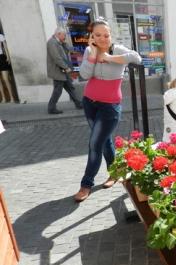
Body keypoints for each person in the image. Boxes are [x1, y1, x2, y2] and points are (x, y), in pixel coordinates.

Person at [74, 18, 141, 202]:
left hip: (109, 107)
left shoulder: (117, 49)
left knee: (95, 144)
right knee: (104, 141)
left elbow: (137, 58)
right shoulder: (89, 50)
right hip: (89, 103)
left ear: (110, 35)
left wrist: (109, 58)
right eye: (98, 35)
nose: (103, 38)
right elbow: (84, 75)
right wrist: (94, 56)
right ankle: (115, 173)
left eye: (106, 34)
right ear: (92, 37)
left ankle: (86, 184)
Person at [46, 27, 82, 114]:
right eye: (64, 35)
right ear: (58, 34)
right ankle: (51, 108)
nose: (65, 36)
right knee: (58, 90)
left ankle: (78, 104)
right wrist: (66, 67)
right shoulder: (52, 43)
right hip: (58, 70)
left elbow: (68, 50)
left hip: (63, 70)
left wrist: (64, 43)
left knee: (70, 87)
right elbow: (56, 58)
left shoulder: (59, 42)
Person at [0, 33, 17, 103]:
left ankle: (12, 97)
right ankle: (3, 98)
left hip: (1, 57)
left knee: (5, 79)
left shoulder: (0, 36)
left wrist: (8, 57)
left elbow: (5, 46)